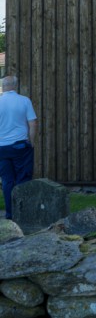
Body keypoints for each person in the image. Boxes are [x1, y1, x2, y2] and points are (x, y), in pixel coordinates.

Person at [0, 75, 38, 220]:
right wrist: (31, 141)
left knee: (7, 181)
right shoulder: (24, 100)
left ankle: (10, 214)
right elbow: (33, 123)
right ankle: (23, 214)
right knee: (23, 179)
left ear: (3, 86)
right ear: (15, 85)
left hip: (2, 148)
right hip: (20, 146)